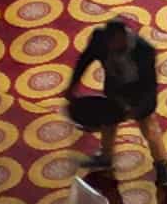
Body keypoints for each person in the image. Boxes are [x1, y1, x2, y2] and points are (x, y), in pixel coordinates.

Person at [63, 16, 159, 186]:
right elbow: (85, 59)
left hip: (139, 94)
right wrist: (73, 85)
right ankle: (106, 158)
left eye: (115, 43)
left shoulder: (144, 50)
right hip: (116, 91)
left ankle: (162, 165)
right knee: (109, 123)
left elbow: (150, 86)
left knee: (150, 131)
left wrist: (137, 108)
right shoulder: (100, 39)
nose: (111, 48)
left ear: (123, 38)